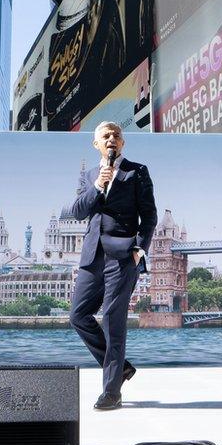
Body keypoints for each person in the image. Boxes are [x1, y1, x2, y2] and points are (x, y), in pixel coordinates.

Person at [68, 121, 157, 410]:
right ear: (96, 144)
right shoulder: (91, 175)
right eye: (105, 136)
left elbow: (150, 217)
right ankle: (121, 368)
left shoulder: (137, 171)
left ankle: (111, 391)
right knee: (78, 316)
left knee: (112, 322)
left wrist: (138, 250)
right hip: (91, 257)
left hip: (122, 257)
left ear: (122, 143)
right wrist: (97, 186)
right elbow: (79, 211)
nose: (111, 139)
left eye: (116, 135)